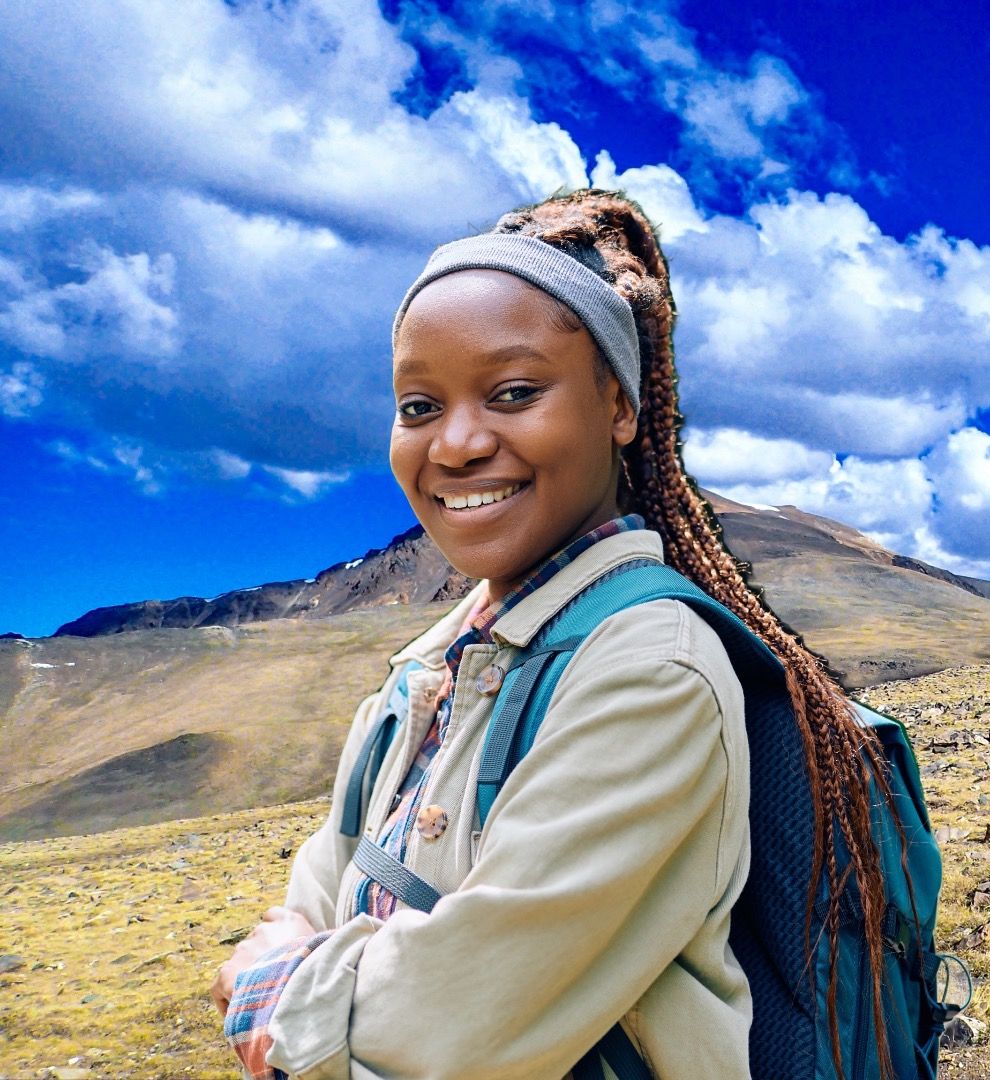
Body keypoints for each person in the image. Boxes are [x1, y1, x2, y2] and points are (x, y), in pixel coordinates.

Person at [210, 189, 898, 1079]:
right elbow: (322, 891)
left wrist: (280, 992)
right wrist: (306, 988)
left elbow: (448, 1031)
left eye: (514, 392)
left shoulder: (654, 672)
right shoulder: (423, 672)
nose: (455, 444)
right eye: (418, 406)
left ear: (619, 407)